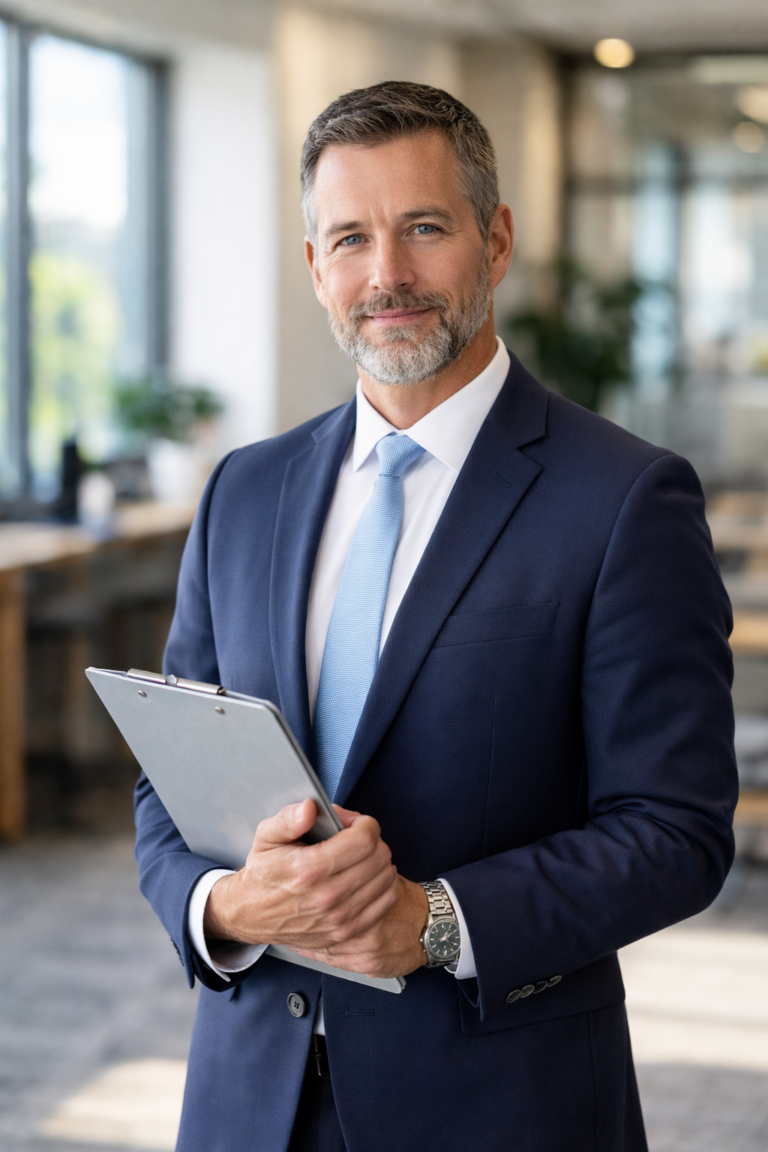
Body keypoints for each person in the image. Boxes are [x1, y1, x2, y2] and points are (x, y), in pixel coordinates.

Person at [135, 82, 737, 1152]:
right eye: (350, 239)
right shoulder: (244, 492)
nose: (387, 275)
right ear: (315, 265)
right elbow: (166, 782)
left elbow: (675, 830)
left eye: (423, 228)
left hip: (499, 1105)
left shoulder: (624, 499)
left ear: (495, 241)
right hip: (249, 1101)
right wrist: (225, 906)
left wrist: (437, 922)